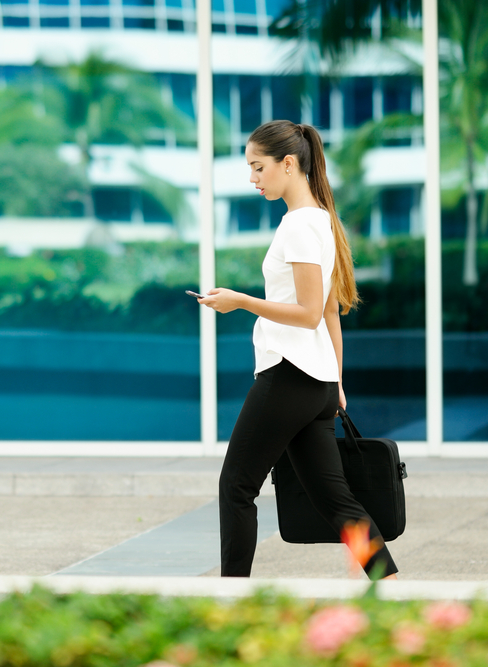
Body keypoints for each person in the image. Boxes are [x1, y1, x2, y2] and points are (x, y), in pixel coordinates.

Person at [195, 120, 397, 579]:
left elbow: (309, 312)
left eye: (258, 167)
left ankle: (231, 597)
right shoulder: (320, 221)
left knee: (236, 486)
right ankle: (389, 585)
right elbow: (328, 314)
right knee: (335, 499)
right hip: (316, 380)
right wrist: (336, 382)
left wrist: (241, 301)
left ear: (289, 163)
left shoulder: (300, 226)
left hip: (289, 375)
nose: (252, 178)